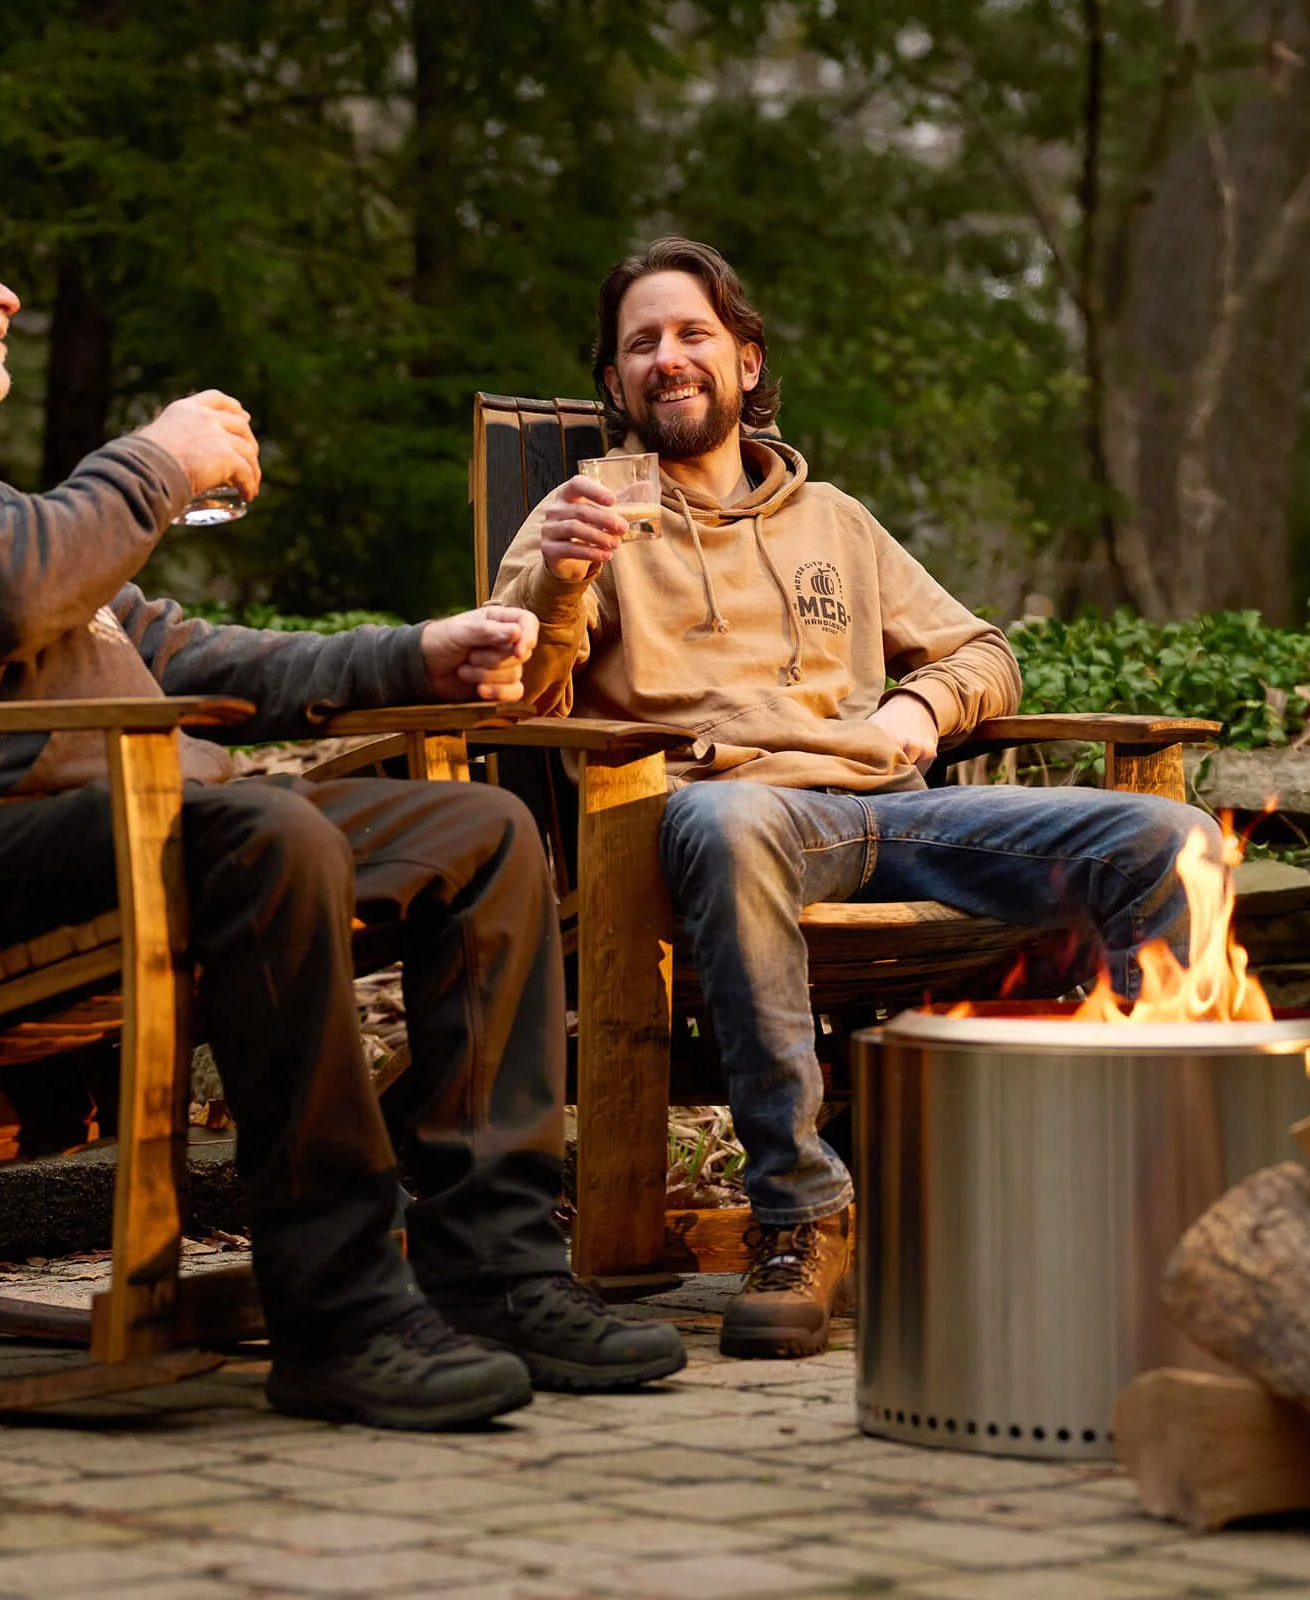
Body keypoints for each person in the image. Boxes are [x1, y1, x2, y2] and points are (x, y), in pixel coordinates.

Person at [0, 150, 684, 1429]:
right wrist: (157, 460)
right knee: (259, 834)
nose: (6, 296)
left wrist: (412, 650)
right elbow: (14, 585)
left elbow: (157, 646)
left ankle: (495, 1268)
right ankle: (339, 1314)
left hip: (96, 829)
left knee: (481, 833)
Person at [492, 238, 1214, 1361]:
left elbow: (981, 651)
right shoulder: (579, 518)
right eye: (642, 343)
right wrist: (562, 579)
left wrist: (915, 717)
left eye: (692, 334)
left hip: (895, 804)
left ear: (745, 356)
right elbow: (518, 695)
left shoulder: (835, 517)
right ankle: (801, 1214)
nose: (668, 358)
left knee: (1168, 840)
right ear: (616, 381)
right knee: (731, 823)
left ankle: (1127, 1198)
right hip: (732, 816)